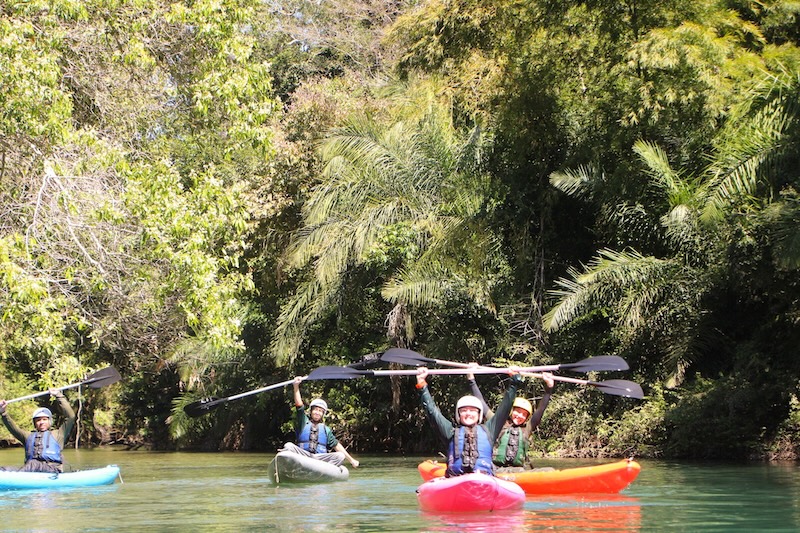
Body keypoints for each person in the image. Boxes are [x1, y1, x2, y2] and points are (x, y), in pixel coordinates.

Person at [415, 365, 522, 477]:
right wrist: (422, 384)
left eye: (472, 410)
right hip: (456, 480)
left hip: (484, 480)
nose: (468, 413)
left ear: (479, 414)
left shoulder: (489, 430)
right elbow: (433, 412)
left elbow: (505, 408)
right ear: (458, 414)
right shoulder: (450, 431)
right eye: (464, 410)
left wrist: (514, 382)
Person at [467, 366, 555, 470]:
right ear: (511, 411)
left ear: (527, 418)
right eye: (517, 411)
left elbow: (541, 410)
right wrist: (471, 378)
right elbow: (481, 403)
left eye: (524, 414)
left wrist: (549, 387)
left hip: (518, 471)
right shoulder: (498, 423)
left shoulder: (528, 428)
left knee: (549, 470)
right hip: (496, 468)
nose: (519, 416)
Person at [281, 377, 359, 468]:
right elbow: (299, 405)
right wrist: (296, 386)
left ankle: (323, 471)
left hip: (319, 459)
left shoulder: (326, 430)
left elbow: (337, 446)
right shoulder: (303, 421)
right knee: (288, 446)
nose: (317, 413)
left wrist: (351, 460)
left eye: (320, 411)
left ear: (323, 414)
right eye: (315, 410)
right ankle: (291, 468)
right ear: (311, 411)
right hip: (303, 456)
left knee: (340, 456)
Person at [0, 389, 76, 473]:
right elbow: (13, 428)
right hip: (31, 469)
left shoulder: (59, 434)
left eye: (44, 419)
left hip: (52, 469)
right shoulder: (27, 436)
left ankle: (17, 477)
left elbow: (70, 416)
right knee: (3, 469)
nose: (41, 422)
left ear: (49, 421)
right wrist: (3, 413)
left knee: (33, 464)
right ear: (35, 423)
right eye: (38, 420)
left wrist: (58, 395)